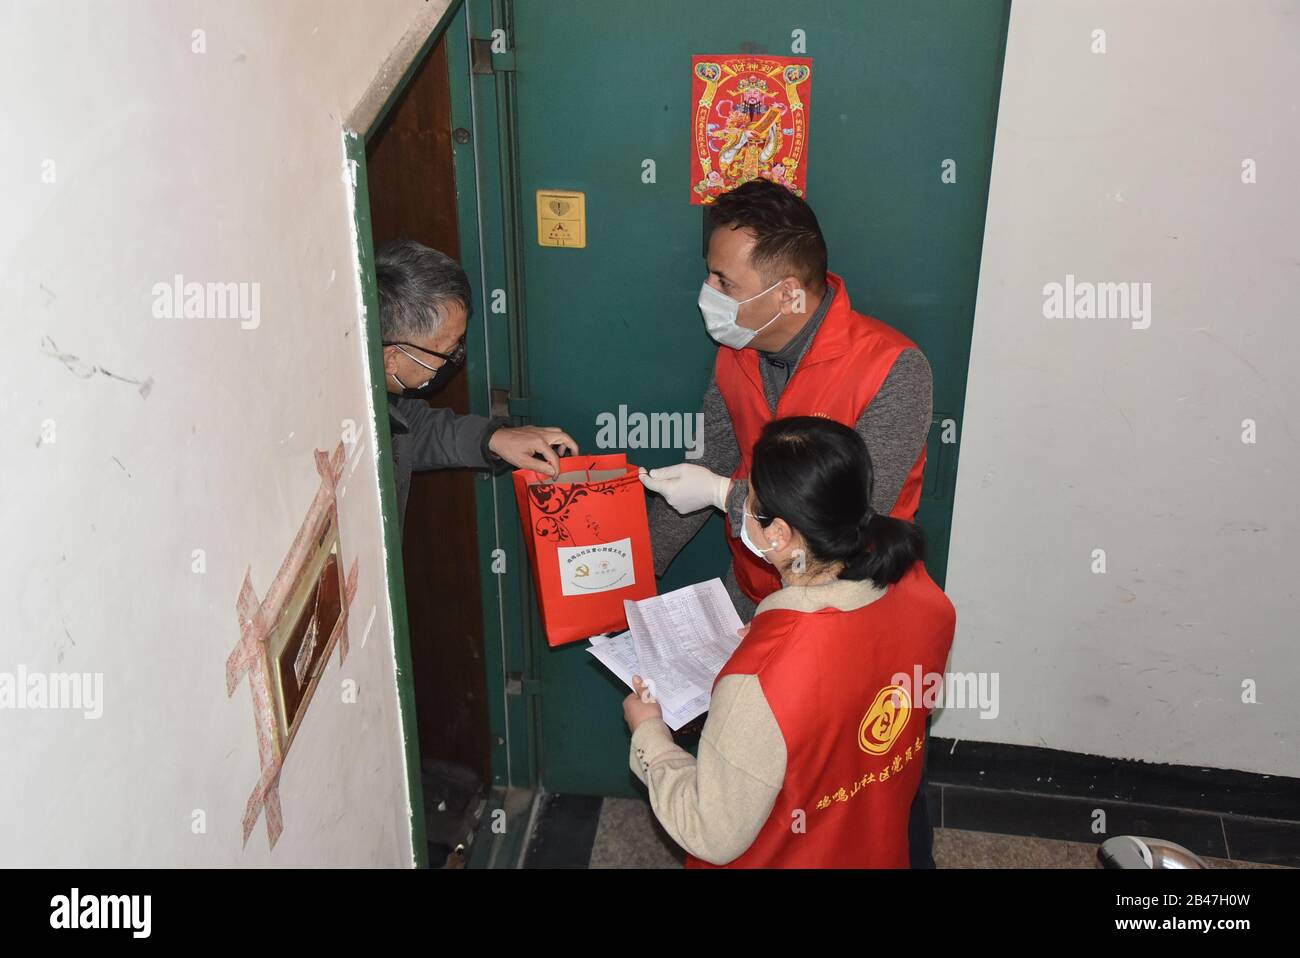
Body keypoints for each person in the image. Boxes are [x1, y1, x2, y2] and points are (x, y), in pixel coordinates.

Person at [636, 179, 938, 864]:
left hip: (858, 611)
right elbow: (710, 460)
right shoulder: (736, 349)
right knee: (761, 775)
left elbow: (856, 520)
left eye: (723, 279)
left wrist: (723, 495)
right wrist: (632, 573)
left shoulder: (894, 367)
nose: (708, 292)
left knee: (870, 777)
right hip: (763, 594)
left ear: (790, 293)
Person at [623, 416, 955, 867]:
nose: (741, 506)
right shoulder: (924, 595)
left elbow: (711, 831)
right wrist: (772, 640)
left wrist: (650, 735)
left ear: (777, 534)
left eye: (750, 499)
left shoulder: (758, 684)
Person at [374, 239, 577, 526]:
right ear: (392, 358)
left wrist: (492, 438)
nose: (454, 359)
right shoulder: (342, 429)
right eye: (446, 352)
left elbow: (406, 427)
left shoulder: (380, 392)